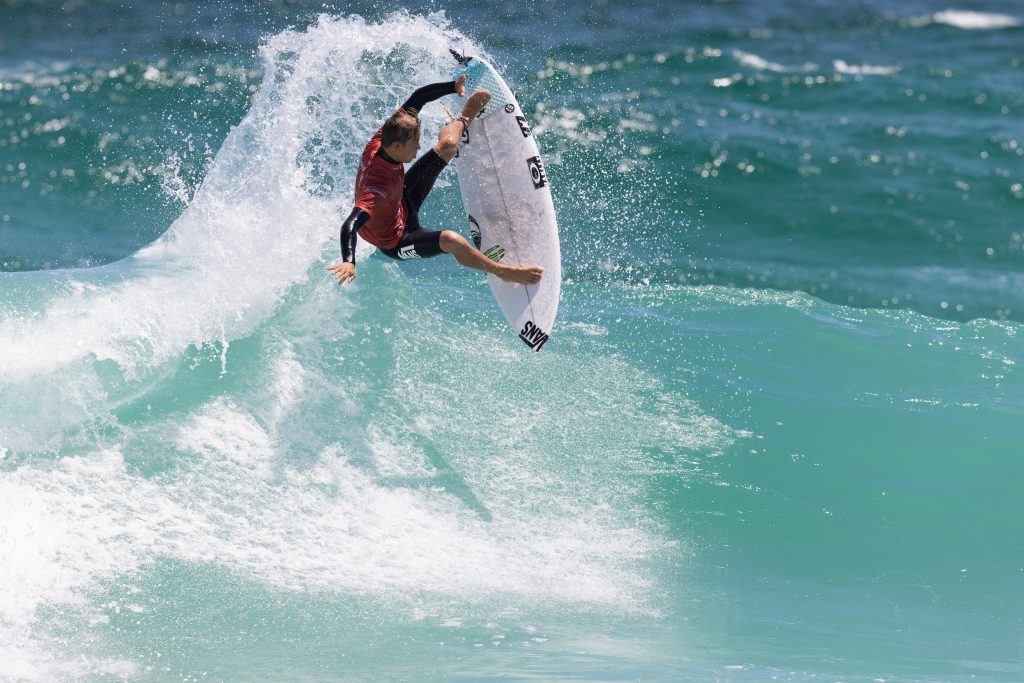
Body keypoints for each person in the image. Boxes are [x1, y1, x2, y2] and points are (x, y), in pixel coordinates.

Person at [327, 74, 544, 286]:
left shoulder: (383, 138)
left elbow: (417, 98)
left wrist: (453, 86)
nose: (419, 148)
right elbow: (351, 224)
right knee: (452, 240)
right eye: (415, 144)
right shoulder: (375, 191)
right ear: (397, 147)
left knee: (447, 146)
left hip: (400, 200)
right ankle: (502, 272)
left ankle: (464, 117)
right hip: (397, 240)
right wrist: (349, 261)